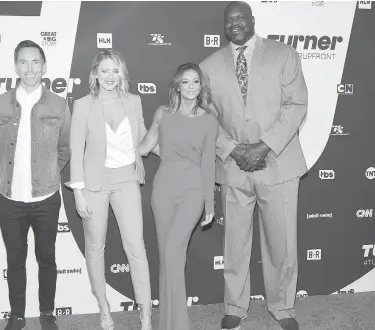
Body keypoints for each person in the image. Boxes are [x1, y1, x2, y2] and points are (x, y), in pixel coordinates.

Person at [200, 2, 308, 330]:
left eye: (240, 18)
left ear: (252, 21)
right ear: (224, 25)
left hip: (278, 163)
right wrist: (233, 150)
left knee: (282, 241)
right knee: (235, 241)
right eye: (228, 19)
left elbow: (296, 104)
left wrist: (264, 146)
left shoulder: (284, 55)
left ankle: (283, 307)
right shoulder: (208, 66)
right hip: (234, 168)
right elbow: (206, 116)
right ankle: (235, 305)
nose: (234, 24)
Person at [66, 49, 152, 330]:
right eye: (104, 71)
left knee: (136, 247)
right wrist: (78, 192)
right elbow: (76, 151)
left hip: (127, 179)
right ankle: (104, 308)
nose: (110, 77)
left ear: (122, 73)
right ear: (94, 74)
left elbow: (143, 140)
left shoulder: (134, 101)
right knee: (95, 247)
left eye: (115, 71)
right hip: (94, 183)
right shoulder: (82, 105)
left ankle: (146, 313)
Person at [0, 40, 71, 330]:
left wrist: (47, 174)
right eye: (24, 62)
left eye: (36, 62)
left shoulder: (59, 104)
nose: (30, 68)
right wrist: (11, 176)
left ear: (44, 66)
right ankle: (18, 316)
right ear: (15, 67)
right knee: (15, 260)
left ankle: (47, 313)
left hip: (46, 197)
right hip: (10, 199)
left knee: (47, 258)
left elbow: (64, 149)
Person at [139, 63, 219, 330]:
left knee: (173, 250)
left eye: (195, 82)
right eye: (185, 82)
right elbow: (145, 147)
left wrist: (210, 201)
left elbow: (209, 163)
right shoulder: (163, 113)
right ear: (177, 86)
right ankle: (168, 323)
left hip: (193, 190)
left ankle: (179, 324)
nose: (190, 87)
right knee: (168, 255)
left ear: (201, 86)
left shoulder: (209, 120)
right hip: (163, 190)